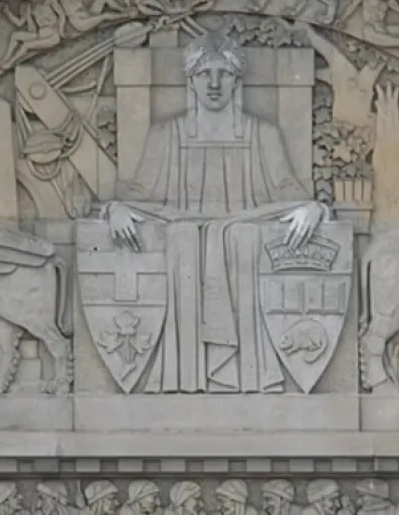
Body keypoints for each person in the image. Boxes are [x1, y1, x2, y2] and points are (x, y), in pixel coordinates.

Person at [104, 33, 327, 393]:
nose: (213, 83)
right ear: (190, 80)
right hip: (183, 252)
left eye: (223, 73)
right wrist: (114, 210)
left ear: (237, 81)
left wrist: (311, 209)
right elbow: (139, 197)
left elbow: (290, 194)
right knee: (184, 237)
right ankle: (183, 378)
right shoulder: (166, 135)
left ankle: (251, 376)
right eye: (204, 74)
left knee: (242, 236)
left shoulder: (262, 135)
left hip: (246, 248)